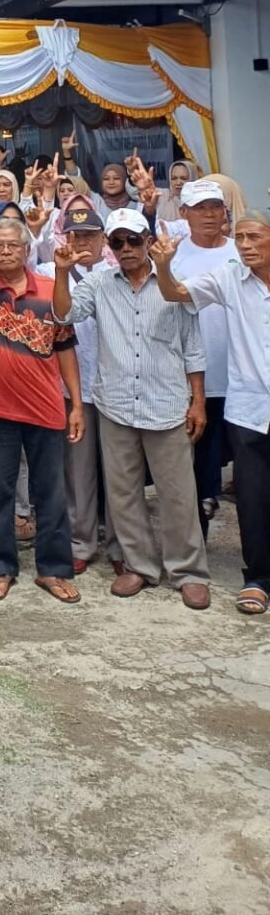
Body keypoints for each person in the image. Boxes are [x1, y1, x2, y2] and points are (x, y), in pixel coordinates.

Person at [53, 209, 210, 609]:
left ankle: (188, 571)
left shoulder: (173, 285)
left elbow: (193, 347)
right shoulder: (99, 283)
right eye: (117, 242)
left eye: (133, 240)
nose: (126, 249)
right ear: (110, 245)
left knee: (178, 495)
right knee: (123, 495)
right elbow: (64, 314)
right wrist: (59, 273)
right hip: (117, 404)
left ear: (147, 241)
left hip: (167, 404)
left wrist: (198, 401)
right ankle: (139, 566)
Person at [0, 158, 84, 604]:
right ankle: (1, 567)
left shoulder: (47, 288)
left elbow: (64, 340)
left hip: (45, 409)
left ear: (27, 250)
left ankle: (54, 569)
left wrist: (75, 402)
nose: (5, 252)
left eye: (13, 246)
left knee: (50, 493)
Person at [153, 213, 270, 617]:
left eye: (255, 237)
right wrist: (164, 266)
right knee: (252, 498)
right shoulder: (230, 277)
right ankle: (258, 579)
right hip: (250, 410)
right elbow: (175, 294)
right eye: (239, 237)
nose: (245, 244)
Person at [166, 179, 242, 534]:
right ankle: (197, 537)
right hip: (194, 374)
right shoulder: (175, 255)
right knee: (200, 456)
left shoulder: (242, 251)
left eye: (215, 207)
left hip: (243, 375)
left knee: (246, 462)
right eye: (200, 208)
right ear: (184, 213)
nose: (210, 214)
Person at [52, 204, 122, 574]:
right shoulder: (52, 273)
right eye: (75, 235)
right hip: (73, 389)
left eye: (90, 236)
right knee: (78, 470)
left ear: (102, 240)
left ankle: (121, 544)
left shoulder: (118, 273)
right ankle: (81, 540)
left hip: (116, 388)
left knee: (119, 471)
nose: (82, 243)